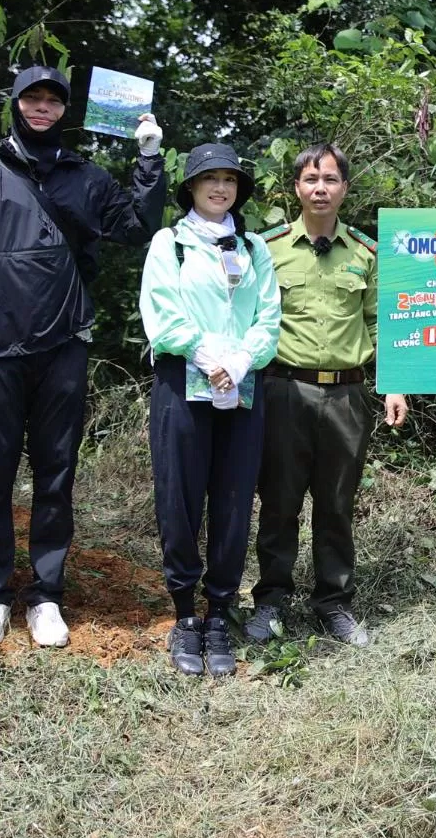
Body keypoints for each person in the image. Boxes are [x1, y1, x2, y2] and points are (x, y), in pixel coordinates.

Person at [0, 64, 164, 649]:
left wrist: (148, 161)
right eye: (32, 99)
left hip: (63, 344)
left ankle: (45, 594)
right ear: (15, 104)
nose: (42, 109)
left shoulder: (86, 178)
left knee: (56, 474)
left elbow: (137, 225)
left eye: (52, 101)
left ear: (65, 110)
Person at [242, 143, 408, 648]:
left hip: (347, 396)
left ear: (344, 188)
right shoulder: (264, 249)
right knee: (279, 502)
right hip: (283, 390)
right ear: (296, 187)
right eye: (311, 179)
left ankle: (333, 604)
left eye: (331, 179)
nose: (320, 188)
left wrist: (394, 383)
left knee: (337, 503)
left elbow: (385, 320)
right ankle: (271, 601)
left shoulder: (366, 252)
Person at [139, 144, 282, 677]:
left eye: (229, 180)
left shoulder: (254, 248)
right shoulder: (168, 245)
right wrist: (206, 356)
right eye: (209, 180)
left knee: (232, 496)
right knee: (179, 495)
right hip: (184, 379)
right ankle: (184, 614)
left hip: (242, 384)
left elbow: (269, 314)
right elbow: (161, 308)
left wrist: (241, 359)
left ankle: (219, 611)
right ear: (192, 188)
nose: (220, 188)